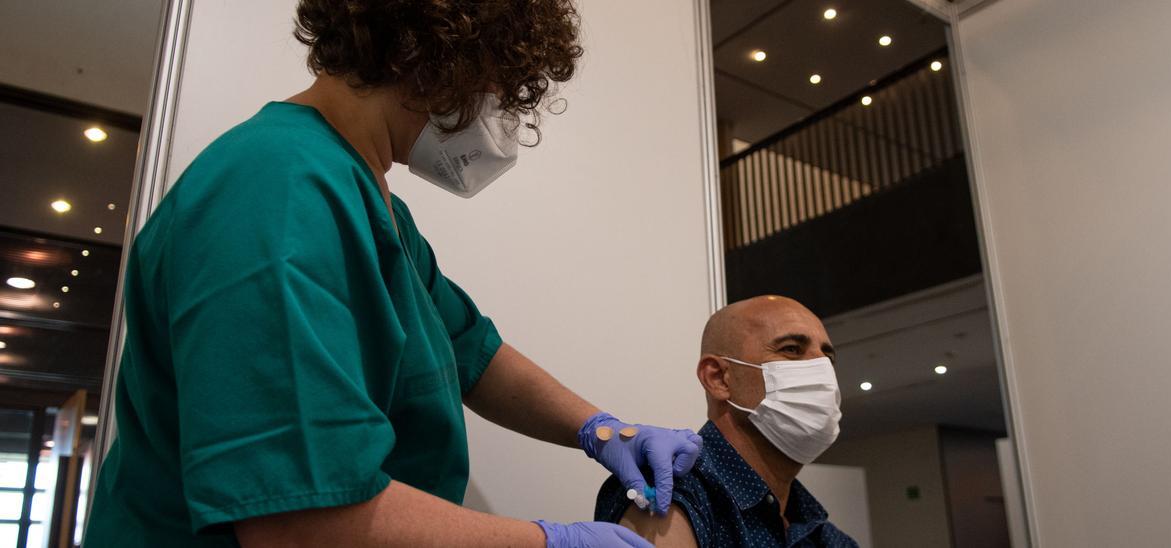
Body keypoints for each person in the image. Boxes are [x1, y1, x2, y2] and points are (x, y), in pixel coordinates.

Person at [83, 1, 701, 546]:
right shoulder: (277, 191)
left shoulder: (372, 204)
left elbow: (473, 355)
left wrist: (599, 429)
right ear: (436, 58)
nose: (496, 117)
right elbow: (300, 522)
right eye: (495, 87)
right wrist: (553, 541)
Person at [595, 296, 859, 547]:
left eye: (828, 357)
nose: (821, 367)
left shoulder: (823, 535)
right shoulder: (669, 486)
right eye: (791, 349)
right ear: (719, 379)